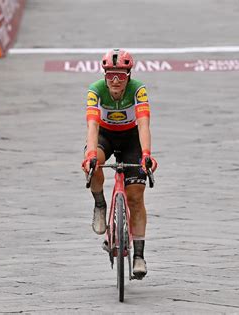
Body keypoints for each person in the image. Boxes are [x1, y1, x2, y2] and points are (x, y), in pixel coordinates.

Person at [81, 49, 157, 279]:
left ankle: (139, 256)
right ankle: (100, 205)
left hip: (130, 138)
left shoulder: (138, 90)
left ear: (129, 76)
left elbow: (143, 123)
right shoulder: (95, 90)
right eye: (110, 76)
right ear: (104, 76)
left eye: (121, 76)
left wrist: (146, 154)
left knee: (135, 197)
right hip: (104, 136)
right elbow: (93, 126)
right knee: (94, 166)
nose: (115, 81)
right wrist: (91, 154)